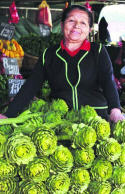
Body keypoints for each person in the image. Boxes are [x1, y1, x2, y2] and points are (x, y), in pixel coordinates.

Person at [0, 5, 124, 123]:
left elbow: (108, 81)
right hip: (62, 122)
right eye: (71, 21)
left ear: (89, 29)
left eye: (83, 23)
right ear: (62, 24)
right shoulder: (49, 55)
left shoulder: (98, 51)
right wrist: (8, 114)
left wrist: (115, 109)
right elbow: (30, 87)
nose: (76, 26)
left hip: (97, 119)